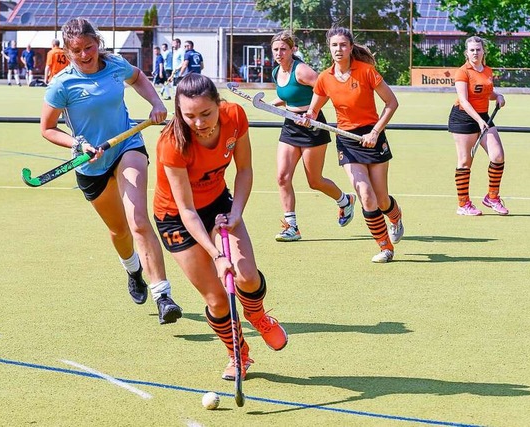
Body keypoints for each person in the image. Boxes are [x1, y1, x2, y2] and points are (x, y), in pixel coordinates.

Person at [39, 17, 183, 324]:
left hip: (126, 146)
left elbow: (139, 77)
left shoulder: (115, 65)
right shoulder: (62, 84)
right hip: (91, 164)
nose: (84, 55)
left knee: (139, 220)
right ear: (67, 50)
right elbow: (48, 129)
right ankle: (133, 271)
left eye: (89, 47)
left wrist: (156, 102)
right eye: (76, 50)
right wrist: (77, 145)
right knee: (119, 230)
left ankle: (163, 295)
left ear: (98, 43)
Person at [153, 73, 288, 380]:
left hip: (218, 202)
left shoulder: (235, 116)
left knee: (248, 277)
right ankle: (238, 354)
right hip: (176, 217)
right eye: (189, 116)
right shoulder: (172, 143)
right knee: (216, 296)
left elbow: (244, 169)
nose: (199, 123)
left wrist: (236, 212)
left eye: (205, 114)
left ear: (218, 104)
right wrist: (216, 254)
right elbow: (186, 210)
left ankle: (256, 314)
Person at [303, 26, 402, 263]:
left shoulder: (366, 71)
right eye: (334, 45)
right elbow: (313, 110)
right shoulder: (325, 78)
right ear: (329, 48)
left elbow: (391, 102)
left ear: (350, 47)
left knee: (381, 199)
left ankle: (396, 218)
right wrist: (308, 118)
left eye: (343, 45)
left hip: (373, 137)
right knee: (365, 195)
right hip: (347, 140)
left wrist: (376, 131)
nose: (339, 49)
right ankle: (385, 247)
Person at [269, 31, 355, 242]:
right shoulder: (276, 72)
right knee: (282, 177)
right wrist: (273, 104)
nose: (279, 53)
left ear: (292, 50)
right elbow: (290, 95)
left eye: (283, 49)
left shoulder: (302, 70)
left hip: (312, 126)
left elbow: (325, 89)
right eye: (275, 49)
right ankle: (292, 226)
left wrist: (312, 113)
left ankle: (345, 201)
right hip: (291, 125)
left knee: (314, 181)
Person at [448, 36, 508, 216]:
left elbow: (485, 92)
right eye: (472, 50)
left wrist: (497, 96)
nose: (475, 52)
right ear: (467, 53)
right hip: (463, 118)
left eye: (478, 49)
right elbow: (464, 101)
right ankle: (463, 204)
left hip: (483, 117)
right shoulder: (462, 72)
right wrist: (479, 121)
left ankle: (492, 197)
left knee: (497, 156)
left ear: (483, 51)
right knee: (465, 162)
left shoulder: (488, 70)